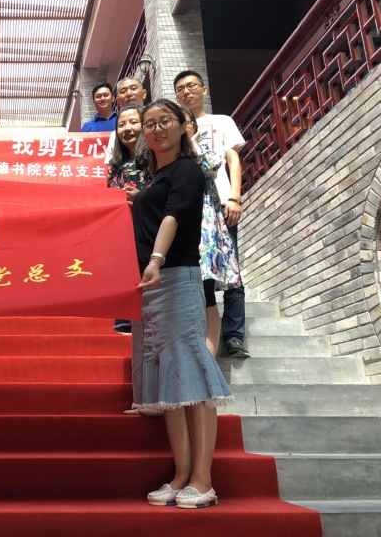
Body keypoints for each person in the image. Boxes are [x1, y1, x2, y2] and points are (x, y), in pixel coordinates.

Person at [133, 99, 233, 509]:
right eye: (150, 124)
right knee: (169, 381)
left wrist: (156, 260)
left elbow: (173, 216)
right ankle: (180, 475)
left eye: (165, 121)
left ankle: (203, 480)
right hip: (150, 284)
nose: (157, 129)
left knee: (191, 371)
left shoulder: (187, 169)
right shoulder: (154, 177)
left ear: (182, 126)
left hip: (175, 276)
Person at [174, 70, 249, 358]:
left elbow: (233, 159)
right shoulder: (177, 127)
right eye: (180, 88)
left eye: (191, 86)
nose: (186, 92)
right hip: (193, 208)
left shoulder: (221, 121)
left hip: (221, 204)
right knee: (200, 272)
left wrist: (235, 197)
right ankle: (203, 335)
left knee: (231, 269)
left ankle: (234, 336)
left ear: (203, 89)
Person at [181, 108, 241, 355]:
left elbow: (211, 166)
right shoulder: (162, 155)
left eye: (185, 123)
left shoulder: (202, 151)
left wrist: (192, 145)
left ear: (193, 128)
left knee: (205, 290)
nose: (180, 127)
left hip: (203, 230)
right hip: (174, 230)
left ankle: (208, 357)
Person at [107, 105, 150, 336]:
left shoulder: (154, 159)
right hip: (124, 238)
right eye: (121, 124)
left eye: (133, 122)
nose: (127, 129)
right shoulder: (117, 167)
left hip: (148, 234)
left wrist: (141, 198)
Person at [104, 76, 147, 165]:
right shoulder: (115, 135)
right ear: (118, 101)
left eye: (133, 89)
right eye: (123, 91)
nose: (129, 94)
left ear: (144, 93)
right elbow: (111, 167)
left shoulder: (157, 121)